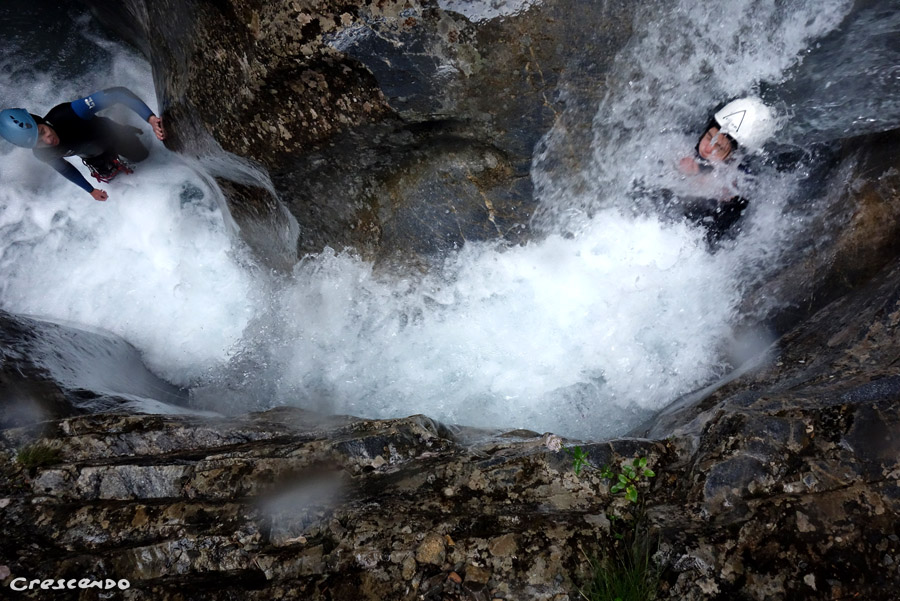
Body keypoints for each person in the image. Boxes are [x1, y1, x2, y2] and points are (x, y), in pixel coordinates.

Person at [0, 87, 166, 201]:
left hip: (115, 136)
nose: (49, 140)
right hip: (96, 158)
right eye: (40, 143)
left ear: (40, 121)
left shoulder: (68, 113)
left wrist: (150, 118)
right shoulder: (43, 154)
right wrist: (90, 190)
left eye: (42, 131)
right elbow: (65, 169)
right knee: (120, 183)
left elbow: (117, 93)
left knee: (143, 157)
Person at [674, 96, 776, 242]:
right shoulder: (687, 142)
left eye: (719, 147)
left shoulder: (736, 186)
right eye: (709, 137)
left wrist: (697, 182)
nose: (708, 148)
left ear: (734, 157)